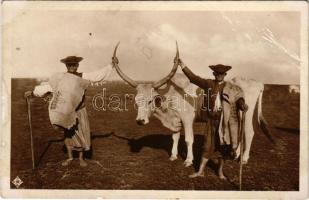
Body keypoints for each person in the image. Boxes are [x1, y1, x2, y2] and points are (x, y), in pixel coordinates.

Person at [24, 56, 116, 167]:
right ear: (66, 66)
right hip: (66, 111)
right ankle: (70, 157)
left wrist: (111, 65)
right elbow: (48, 87)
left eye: (74, 64)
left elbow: (97, 75)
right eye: (69, 65)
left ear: (77, 65)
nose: (72, 66)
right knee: (68, 134)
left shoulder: (83, 77)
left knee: (81, 133)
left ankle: (81, 158)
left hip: (80, 110)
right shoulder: (61, 78)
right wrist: (33, 93)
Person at [176, 58, 248, 179]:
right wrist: (183, 66)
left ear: (225, 75)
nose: (219, 76)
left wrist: (242, 105)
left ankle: (220, 172)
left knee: (223, 147)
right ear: (214, 74)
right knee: (207, 145)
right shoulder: (208, 84)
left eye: (222, 74)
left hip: (224, 122)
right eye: (217, 73)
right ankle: (200, 171)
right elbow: (194, 78)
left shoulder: (231, 88)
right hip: (211, 121)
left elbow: (238, 98)